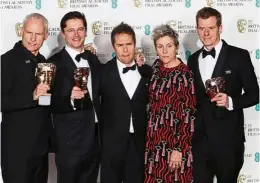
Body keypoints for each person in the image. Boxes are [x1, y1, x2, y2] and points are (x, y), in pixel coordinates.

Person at [187, 7, 259, 183]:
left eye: (210, 28)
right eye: (202, 28)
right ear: (197, 29)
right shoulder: (192, 59)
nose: (206, 33)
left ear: (220, 28)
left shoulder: (239, 56)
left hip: (228, 141)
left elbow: (255, 94)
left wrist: (231, 101)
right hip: (200, 141)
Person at [49, 11, 101, 183]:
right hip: (69, 142)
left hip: (94, 140)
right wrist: (68, 98)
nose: (76, 35)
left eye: (80, 29)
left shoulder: (93, 59)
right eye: (71, 30)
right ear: (63, 34)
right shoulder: (53, 63)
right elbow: (43, 101)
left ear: (86, 32)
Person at [1, 13, 52, 183]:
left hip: (40, 148)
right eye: (29, 32)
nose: (32, 38)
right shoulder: (6, 61)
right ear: (21, 31)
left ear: (46, 35)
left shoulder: (44, 62)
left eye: (38, 34)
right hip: (17, 150)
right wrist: (32, 95)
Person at [99, 22, 152, 183]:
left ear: (135, 45)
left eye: (129, 44)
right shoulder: (103, 72)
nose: (125, 49)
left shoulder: (147, 72)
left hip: (138, 145)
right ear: (114, 47)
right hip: (111, 146)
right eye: (120, 45)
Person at [144, 24, 196, 183]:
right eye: (160, 46)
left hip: (175, 145)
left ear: (176, 47)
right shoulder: (156, 68)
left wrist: (179, 149)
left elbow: (189, 114)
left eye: (169, 46)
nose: (164, 51)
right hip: (153, 144)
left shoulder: (185, 74)